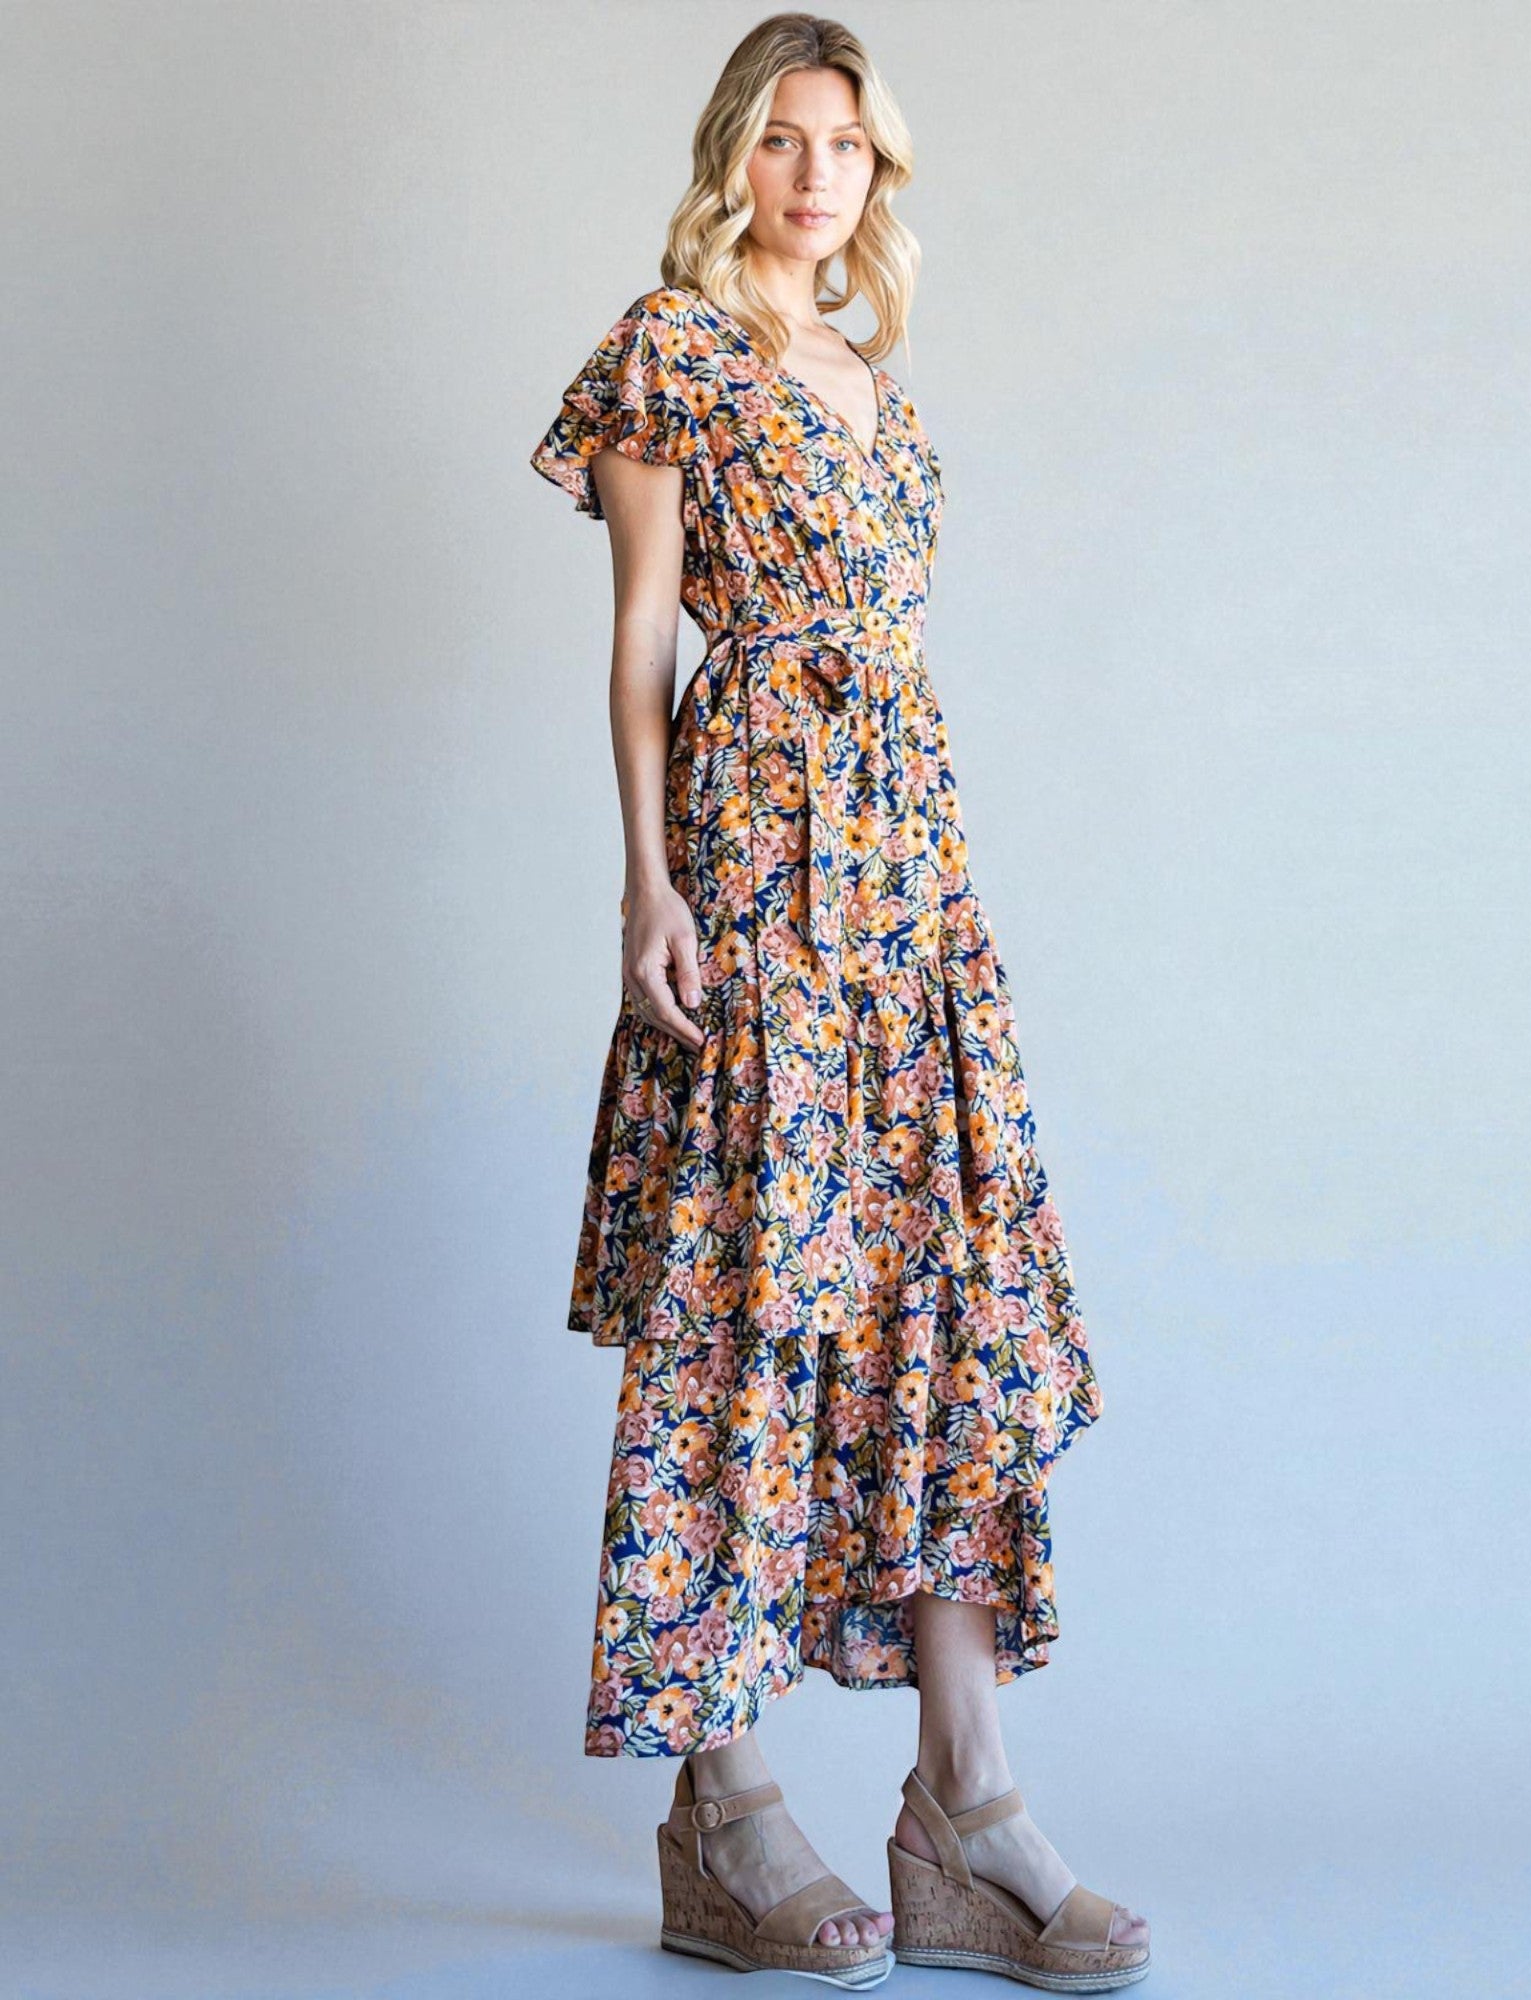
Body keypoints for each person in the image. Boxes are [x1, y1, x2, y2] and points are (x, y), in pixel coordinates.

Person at [529, 13, 1151, 1991]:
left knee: (935, 1288)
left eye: (849, 146)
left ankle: (964, 1812)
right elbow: (641, 636)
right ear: (735, 156)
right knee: (740, 1294)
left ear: (879, 176)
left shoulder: (874, 385)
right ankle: (720, 1813)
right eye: (784, 138)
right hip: (750, 853)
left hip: (910, 884)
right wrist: (648, 877)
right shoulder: (665, 350)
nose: (816, 174)